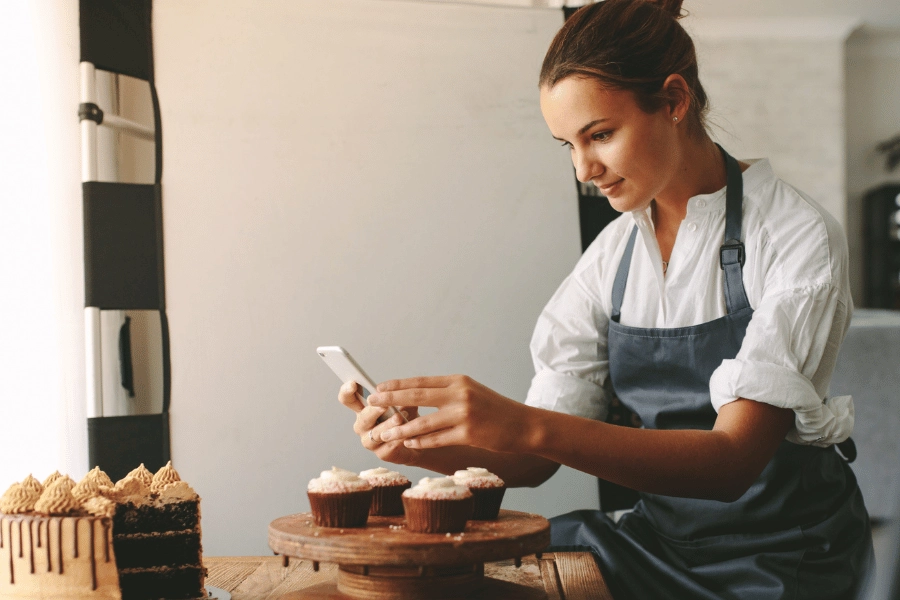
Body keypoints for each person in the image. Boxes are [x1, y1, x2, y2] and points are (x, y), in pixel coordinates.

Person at [336, 0, 874, 597]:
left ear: (673, 101)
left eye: (600, 135)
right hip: (655, 542)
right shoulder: (612, 257)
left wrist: (520, 423)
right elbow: (534, 464)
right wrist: (420, 444)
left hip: (782, 559)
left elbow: (731, 462)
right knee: (464, 574)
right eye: (566, 145)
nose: (583, 169)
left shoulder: (797, 236)